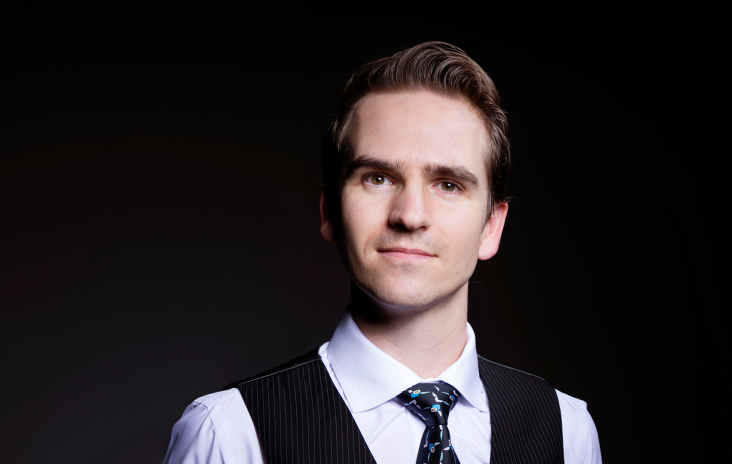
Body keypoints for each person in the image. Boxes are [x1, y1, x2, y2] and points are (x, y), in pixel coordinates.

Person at [163, 41, 601, 464]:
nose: (410, 215)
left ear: (492, 226)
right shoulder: (230, 434)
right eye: (378, 178)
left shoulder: (566, 430)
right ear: (330, 210)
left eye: (448, 185)